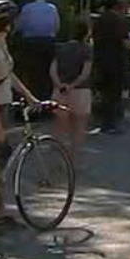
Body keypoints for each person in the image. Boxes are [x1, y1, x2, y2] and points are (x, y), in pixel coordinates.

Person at [0, 0, 43, 225]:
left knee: (0, 162)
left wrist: (29, 96)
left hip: (2, 106)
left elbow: (7, 75)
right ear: (7, 23)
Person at [50, 19, 93, 162]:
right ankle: (73, 159)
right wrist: (73, 85)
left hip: (60, 91)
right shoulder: (87, 49)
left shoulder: (61, 48)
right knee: (79, 127)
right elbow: (85, 72)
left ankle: (58, 159)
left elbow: (52, 69)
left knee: (60, 127)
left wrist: (59, 84)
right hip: (81, 91)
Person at [92, 0, 130, 134]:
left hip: (100, 59)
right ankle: (110, 124)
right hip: (115, 60)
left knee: (104, 92)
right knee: (114, 93)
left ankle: (102, 121)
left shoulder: (99, 19)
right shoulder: (119, 20)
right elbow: (125, 42)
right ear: (118, 6)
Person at [15, 0, 60, 99]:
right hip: (48, 42)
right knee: (47, 71)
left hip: (31, 43)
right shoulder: (52, 8)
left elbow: (19, 26)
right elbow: (56, 27)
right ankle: (46, 97)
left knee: (32, 72)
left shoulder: (27, 8)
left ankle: (32, 97)